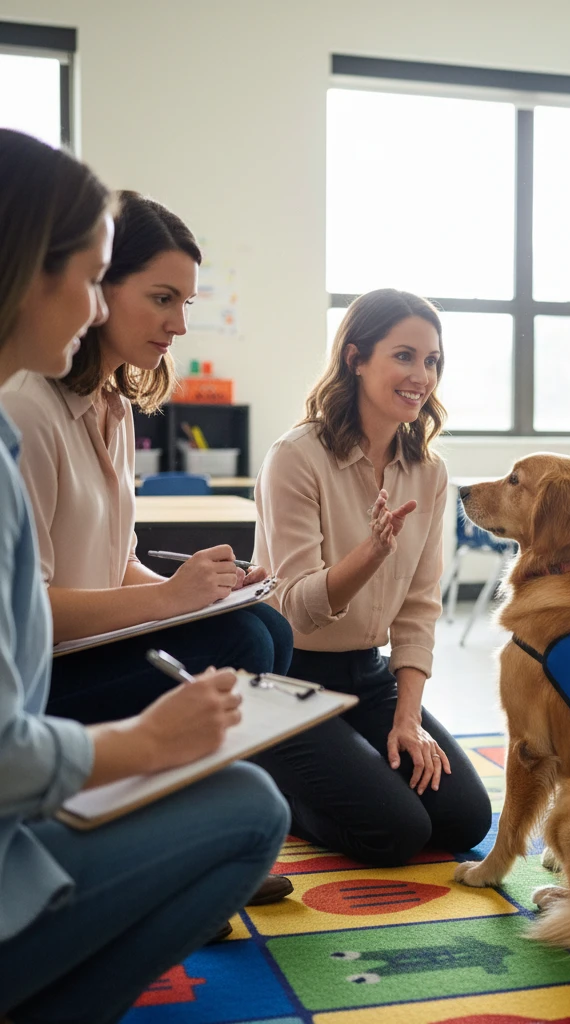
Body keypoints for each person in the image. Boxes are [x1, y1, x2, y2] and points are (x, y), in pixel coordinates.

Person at [0, 128, 289, 1024]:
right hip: (44, 707)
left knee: (259, 627)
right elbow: (36, 614)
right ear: (28, 273)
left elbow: (105, 556)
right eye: (94, 282)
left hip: (46, 700)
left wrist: (185, 588)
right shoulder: (24, 414)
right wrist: (147, 738)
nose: (92, 311)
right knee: (247, 665)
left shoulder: (107, 407)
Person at [252, 288, 491, 865]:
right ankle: (268, 772)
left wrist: (407, 719)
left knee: (462, 819)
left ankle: (341, 761)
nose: (422, 375)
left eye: (432, 360)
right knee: (397, 833)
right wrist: (370, 554)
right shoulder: (296, 456)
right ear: (356, 358)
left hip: (368, 675)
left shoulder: (428, 472)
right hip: (289, 681)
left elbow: (418, 609)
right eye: (404, 356)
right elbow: (295, 606)